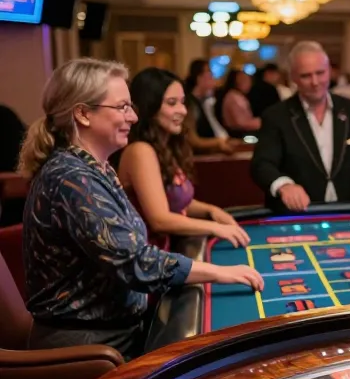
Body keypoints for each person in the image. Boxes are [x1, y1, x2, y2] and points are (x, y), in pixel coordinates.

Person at [17, 58, 263, 360]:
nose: (133, 117)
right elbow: (136, 263)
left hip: (112, 331)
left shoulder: (93, 168)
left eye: (131, 106)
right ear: (82, 113)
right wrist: (219, 272)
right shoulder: (72, 178)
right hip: (89, 349)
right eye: (121, 107)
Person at [118, 68, 250, 250]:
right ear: (150, 107)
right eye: (171, 103)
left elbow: (176, 200)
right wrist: (216, 228)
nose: (182, 110)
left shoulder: (166, 147)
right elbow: (160, 220)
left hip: (166, 250)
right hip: (146, 260)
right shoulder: (140, 151)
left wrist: (211, 210)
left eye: (182, 102)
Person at [251, 41, 350, 213]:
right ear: (293, 77)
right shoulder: (276, 116)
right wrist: (284, 185)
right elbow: (262, 164)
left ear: (330, 71)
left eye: (320, 73)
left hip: (348, 210)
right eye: (306, 76)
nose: (315, 82)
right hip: (297, 214)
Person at [183, 59, 234, 154]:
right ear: (199, 77)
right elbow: (193, 141)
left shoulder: (205, 102)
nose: (213, 77)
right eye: (210, 73)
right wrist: (218, 142)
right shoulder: (189, 104)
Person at [214, 69, 260, 137]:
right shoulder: (233, 98)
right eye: (244, 80)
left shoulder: (238, 96)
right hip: (239, 135)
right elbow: (240, 124)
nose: (249, 83)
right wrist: (260, 123)